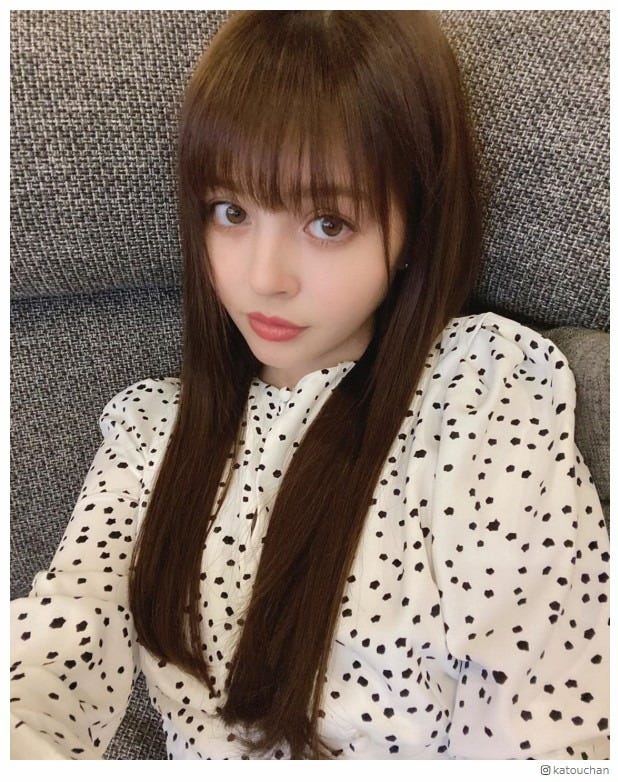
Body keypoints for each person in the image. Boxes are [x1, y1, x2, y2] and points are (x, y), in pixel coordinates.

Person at [10, 10, 609, 761]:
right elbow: (59, 641)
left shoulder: (477, 393)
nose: (263, 279)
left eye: (328, 222)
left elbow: (555, 719)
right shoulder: (150, 434)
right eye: (231, 211)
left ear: (414, 227)